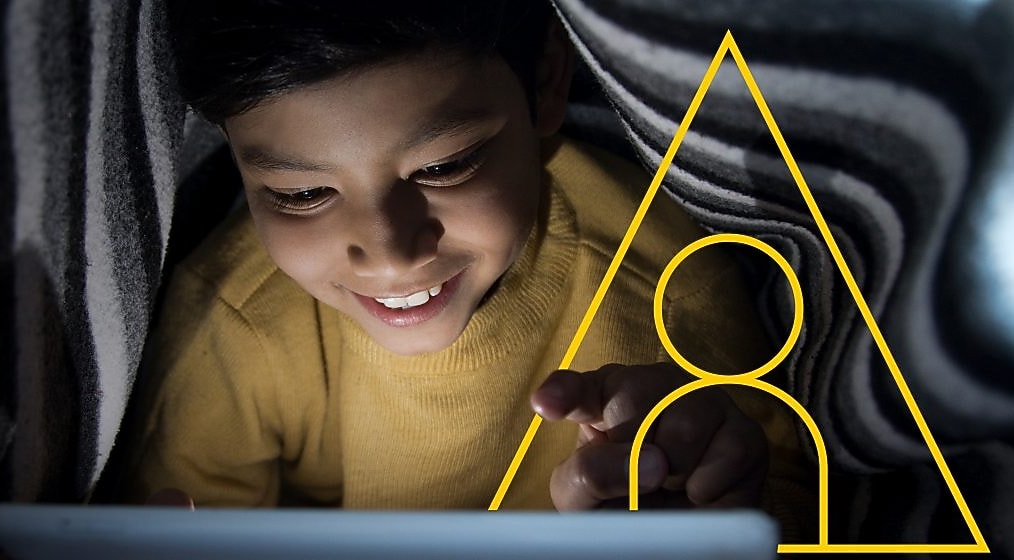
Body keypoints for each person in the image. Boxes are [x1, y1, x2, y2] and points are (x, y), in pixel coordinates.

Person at [100, 0, 814, 539]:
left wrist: (710, 518)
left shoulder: (662, 285)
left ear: (546, 82)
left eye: (444, 165)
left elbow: (792, 503)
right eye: (301, 194)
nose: (390, 251)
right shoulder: (235, 321)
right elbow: (165, 524)